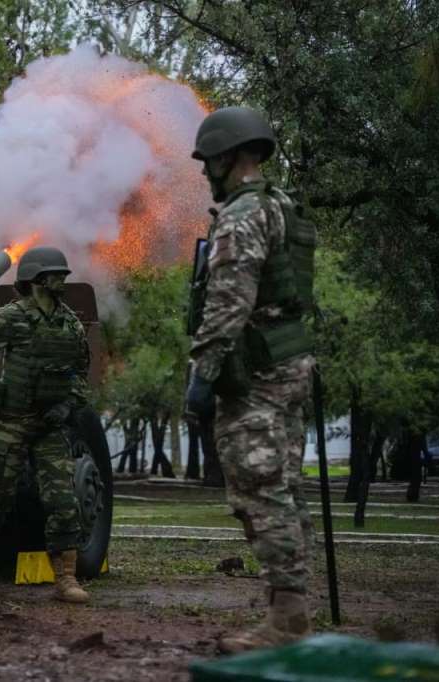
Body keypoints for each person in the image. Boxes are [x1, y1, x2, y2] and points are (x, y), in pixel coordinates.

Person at [184, 106, 317, 652]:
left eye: (209, 160)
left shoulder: (242, 217)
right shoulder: (283, 207)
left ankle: (287, 622)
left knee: (259, 491)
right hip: (288, 361)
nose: (205, 171)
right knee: (285, 487)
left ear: (230, 156)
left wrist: (204, 372)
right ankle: (291, 611)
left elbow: (229, 302)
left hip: (255, 372)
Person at [0, 246, 91, 603]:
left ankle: (66, 580)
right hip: (10, 422)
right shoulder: (10, 319)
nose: (63, 278)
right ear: (37, 280)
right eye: (56, 273)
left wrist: (67, 404)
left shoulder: (71, 325)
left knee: (63, 501)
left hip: (49, 426)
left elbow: (80, 374)